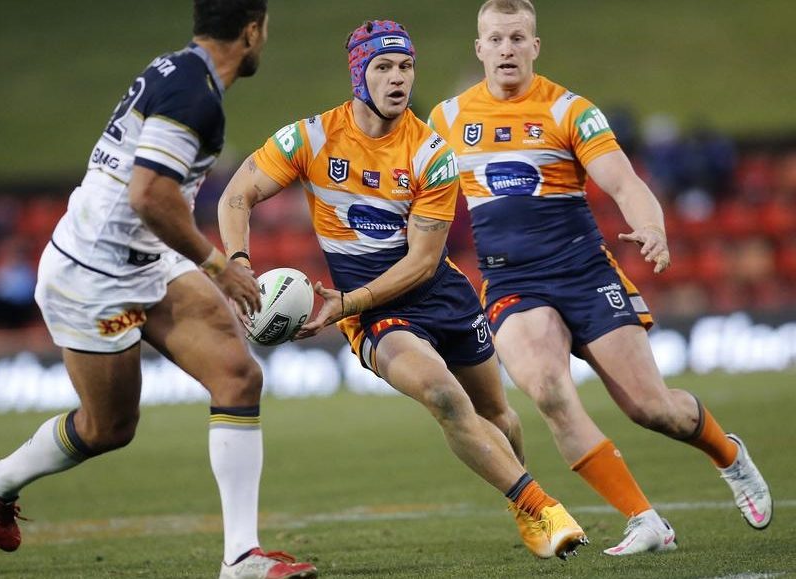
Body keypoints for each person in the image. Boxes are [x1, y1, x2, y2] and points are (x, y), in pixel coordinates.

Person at [218, 19, 587, 561]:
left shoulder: (431, 152)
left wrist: (346, 301)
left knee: (498, 416)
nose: (398, 78)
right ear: (359, 75)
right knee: (443, 395)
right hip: (376, 315)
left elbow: (422, 262)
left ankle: (521, 503)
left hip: (438, 294)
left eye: (406, 66)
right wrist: (238, 263)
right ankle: (542, 506)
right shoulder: (312, 138)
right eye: (384, 67)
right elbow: (236, 195)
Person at [428, 0, 772, 556]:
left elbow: (624, 182)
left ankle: (728, 455)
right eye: (495, 39)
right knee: (548, 392)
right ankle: (645, 520)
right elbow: (410, 184)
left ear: (535, 46)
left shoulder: (570, 110)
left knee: (652, 408)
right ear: (479, 48)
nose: (506, 49)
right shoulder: (446, 120)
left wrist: (651, 226)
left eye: (517, 38)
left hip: (583, 274)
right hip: (513, 284)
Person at [0, 2, 318, 578]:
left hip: (145, 258)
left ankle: (241, 557)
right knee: (109, 428)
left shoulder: (177, 69)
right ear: (252, 31)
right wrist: (218, 266)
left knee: (238, 376)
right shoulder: (194, 94)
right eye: (265, 28)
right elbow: (148, 194)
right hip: (95, 276)